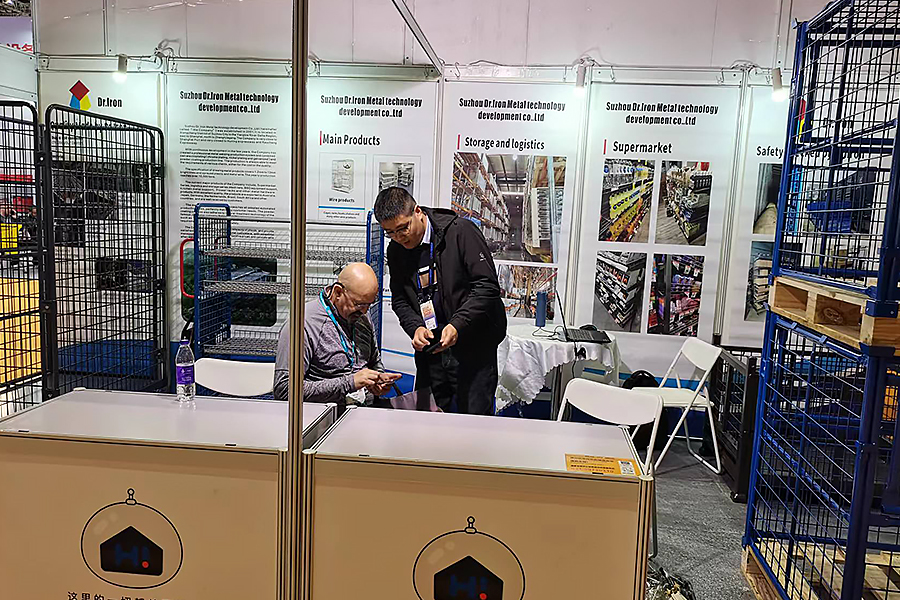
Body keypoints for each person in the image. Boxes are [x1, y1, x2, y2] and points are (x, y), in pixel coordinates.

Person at [373, 187, 507, 415]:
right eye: (390, 232)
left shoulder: (460, 232)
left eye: (403, 228)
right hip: (432, 351)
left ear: (417, 211)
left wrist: (457, 325)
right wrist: (415, 328)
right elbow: (400, 300)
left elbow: (487, 287)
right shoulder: (396, 250)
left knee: (474, 422)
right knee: (427, 419)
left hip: (472, 349)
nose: (399, 237)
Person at [273, 262, 400, 405]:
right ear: (338, 292)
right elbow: (284, 390)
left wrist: (378, 379)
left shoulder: (361, 314)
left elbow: (374, 361)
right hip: (326, 412)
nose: (365, 311)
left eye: (369, 304)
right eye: (359, 304)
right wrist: (349, 383)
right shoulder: (304, 324)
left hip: (366, 408)